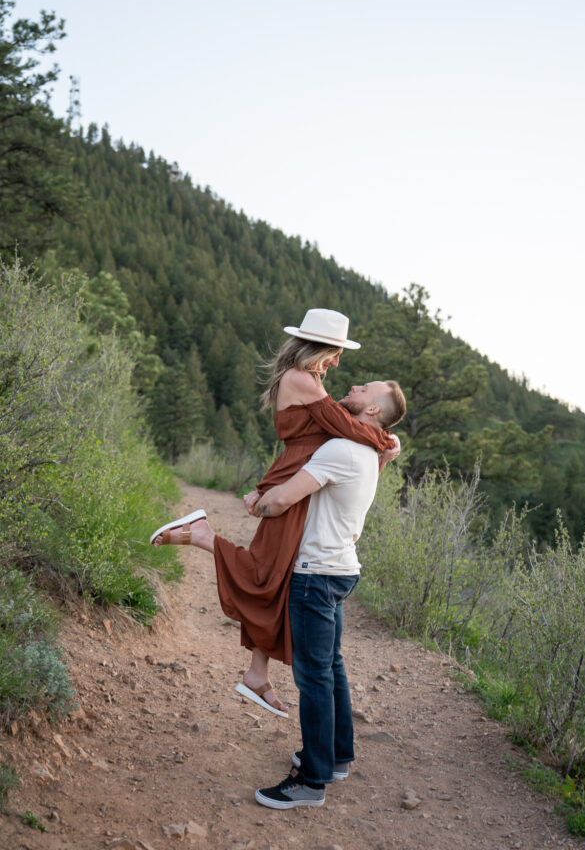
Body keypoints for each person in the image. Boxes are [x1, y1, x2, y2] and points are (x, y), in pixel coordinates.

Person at [150, 308, 399, 716]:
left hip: (300, 475)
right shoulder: (299, 379)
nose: (338, 363)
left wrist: (383, 450)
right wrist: (387, 438)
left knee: (281, 575)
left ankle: (257, 673)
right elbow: (349, 427)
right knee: (268, 572)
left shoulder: (311, 380)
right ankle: (201, 534)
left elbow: (347, 429)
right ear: (318, 347)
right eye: (335, 352)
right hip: (295, 476)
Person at [251, 379, 407, 809]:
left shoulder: (340, 450)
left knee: (314, 676)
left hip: (315, 574)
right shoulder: (368, 451)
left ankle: (311, 781)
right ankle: (336, 757)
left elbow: (282, 499)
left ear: (372, 410)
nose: (354, 385)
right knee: (330, 668)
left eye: (364, 388)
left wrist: (258, 502)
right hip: (339, 571)